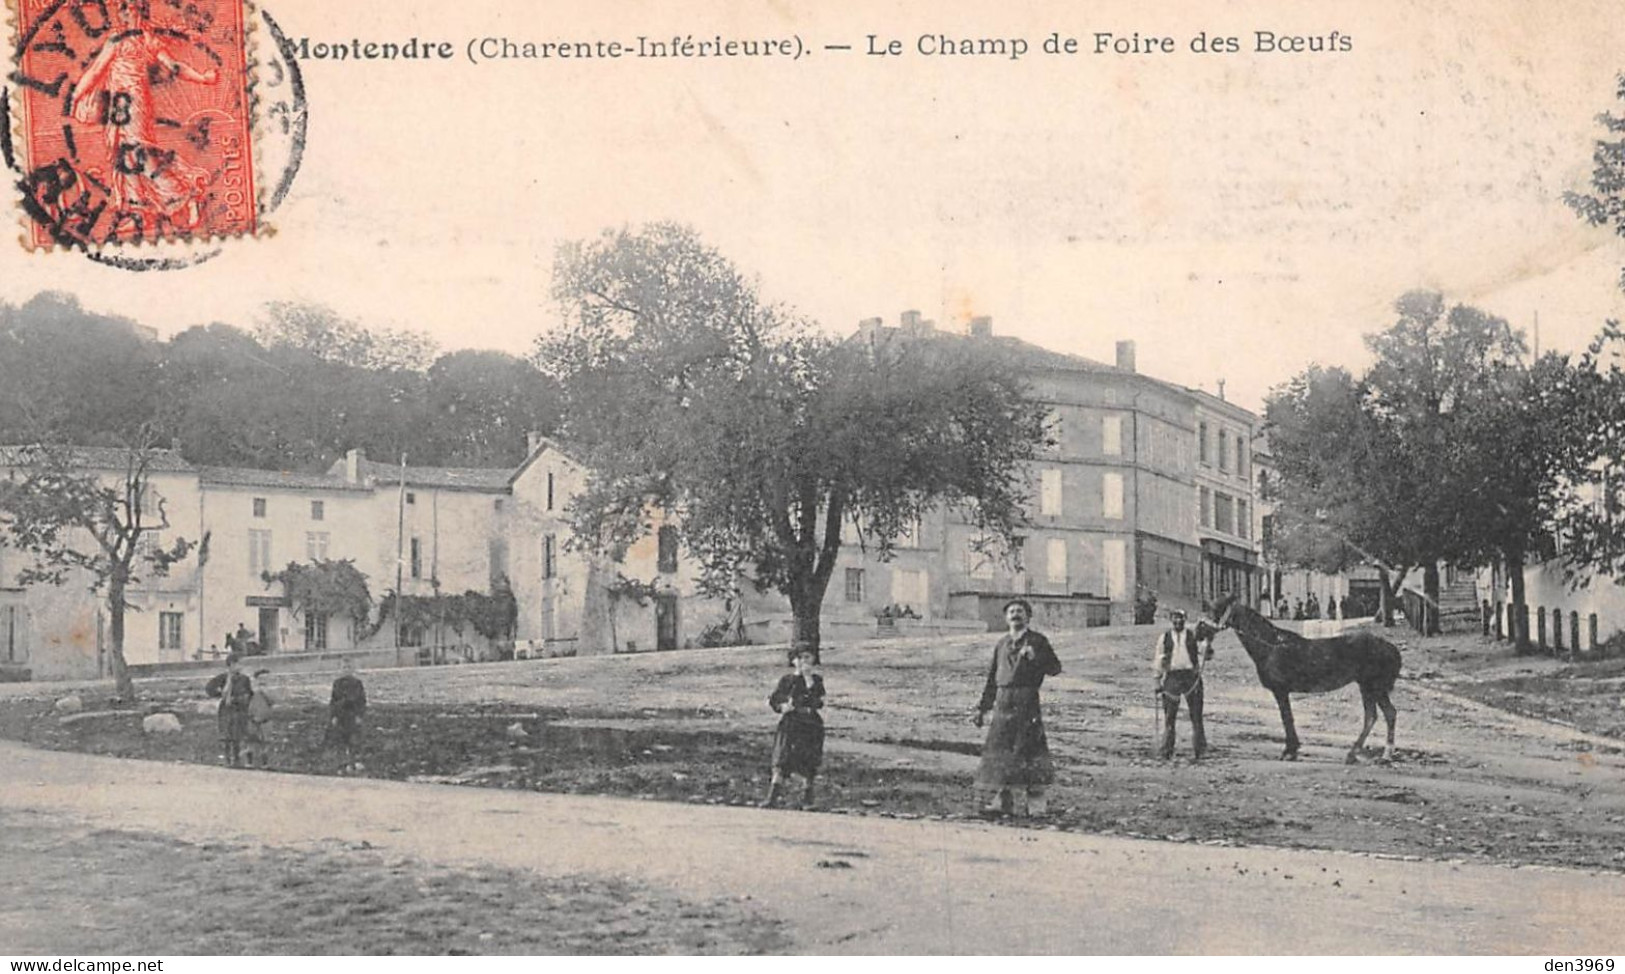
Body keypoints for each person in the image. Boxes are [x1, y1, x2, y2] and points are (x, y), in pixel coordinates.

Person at [973, 599, 1062, 818]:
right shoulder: (1002, 643)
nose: (1015, 615)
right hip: (1003, 702)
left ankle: (1036, 804)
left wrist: (1036, 658)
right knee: (1002, 750)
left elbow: (1055, 668)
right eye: (1011, 612)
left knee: (1030, 748)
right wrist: (982, 708)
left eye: (1020, 612)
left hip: (1026, 700)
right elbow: (992, 679)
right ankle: (1003, 801)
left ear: (1028, 617)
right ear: (1006, 618)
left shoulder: (1038, 640)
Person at [761, 645, 825, 808]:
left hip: (810, 724)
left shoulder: (816, 680)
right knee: (782, 758)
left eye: (808, 657)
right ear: (793, 660)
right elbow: (774, 700)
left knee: (808, 760)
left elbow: (818, 701)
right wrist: (782, 707)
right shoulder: (787, 680)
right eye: (801, 657)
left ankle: (807, 799)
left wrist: (808, 679)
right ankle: (772, 797)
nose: (804, 661)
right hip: (790, 724)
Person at [1153, 609, 1213, 761]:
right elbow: (1159, 659)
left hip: (1191, 677)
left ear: (1185, 619)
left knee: (1196, 715)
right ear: (1171, 619)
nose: (1178, 621)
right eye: (1175, 618)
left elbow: (1206, 653)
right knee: (1169, 716)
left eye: (1181, 618)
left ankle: (1201, 750)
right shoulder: (1164, 638)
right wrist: (1156, 680)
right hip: (1172, 678)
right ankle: (1166, 750)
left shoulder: (1193, 636)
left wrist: (1207, 644)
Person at [205, 654, 254, 768]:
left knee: (237, 734)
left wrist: (243, 700)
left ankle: (236, 759)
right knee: (227, 734)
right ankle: (227, 758)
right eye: (238, 664)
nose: (240, 666)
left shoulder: (244, 679)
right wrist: (220, 695)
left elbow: (249, 693)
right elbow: (209, 688)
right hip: (226, 709)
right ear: (231, 665)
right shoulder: (223, 678)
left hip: (239, 709)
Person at [326, 657, 368, 773]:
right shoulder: (337, 683)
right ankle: (342, 764)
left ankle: (355, 762)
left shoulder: (357, 683)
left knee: (354, 740)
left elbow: (362, 701)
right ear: (340, 669)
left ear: (352, 669)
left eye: (349, 667)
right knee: (341, 740)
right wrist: (333, 716)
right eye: (344, 667)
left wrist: (359, 715)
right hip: (341, 716)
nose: (346, 670)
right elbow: (333, 700)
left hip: (352, 715)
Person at [242, 669, 275, 769]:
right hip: (253, 719)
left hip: (265, 719)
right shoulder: (252, 691)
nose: (263, 681)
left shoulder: (269, 691)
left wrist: (265, 692)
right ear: (256, 680)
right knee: (251, 741)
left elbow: (272, 701)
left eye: (265, 678)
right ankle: (249, 762)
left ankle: (265, 763)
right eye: (260, 679)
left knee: (266, 741)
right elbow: (247, 702)